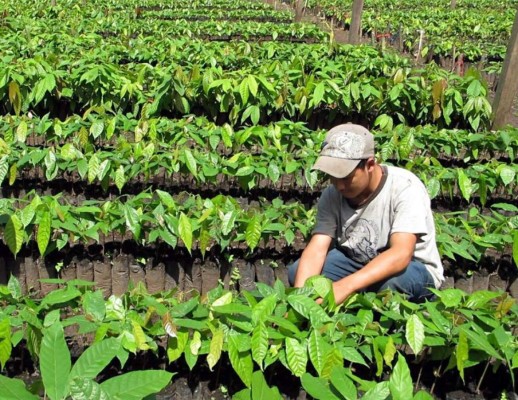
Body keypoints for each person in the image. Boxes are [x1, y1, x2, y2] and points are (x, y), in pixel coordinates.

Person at [289, 123, 444, 304]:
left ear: (370, 164)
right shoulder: (332, 194)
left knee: (390, 286)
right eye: (332, 176)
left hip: (413, 268)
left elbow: (401, 254)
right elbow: (317, 248)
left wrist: (344, 286)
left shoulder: (404, 187)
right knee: (299, 274)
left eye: (346, 177)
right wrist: (299, 302)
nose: (338, 185)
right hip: (356, 261)